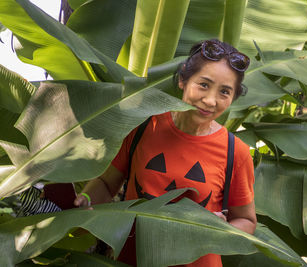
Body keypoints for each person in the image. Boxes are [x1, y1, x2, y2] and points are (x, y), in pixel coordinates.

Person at [74, 39, 256, 267]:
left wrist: (221, 229)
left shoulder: (235, 151)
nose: (210, 100)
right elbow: (107, 184)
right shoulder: (142, 128)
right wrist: (86, 200)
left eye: (225, 92)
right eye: (203, 85)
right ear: (182, 79)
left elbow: (247, 220)